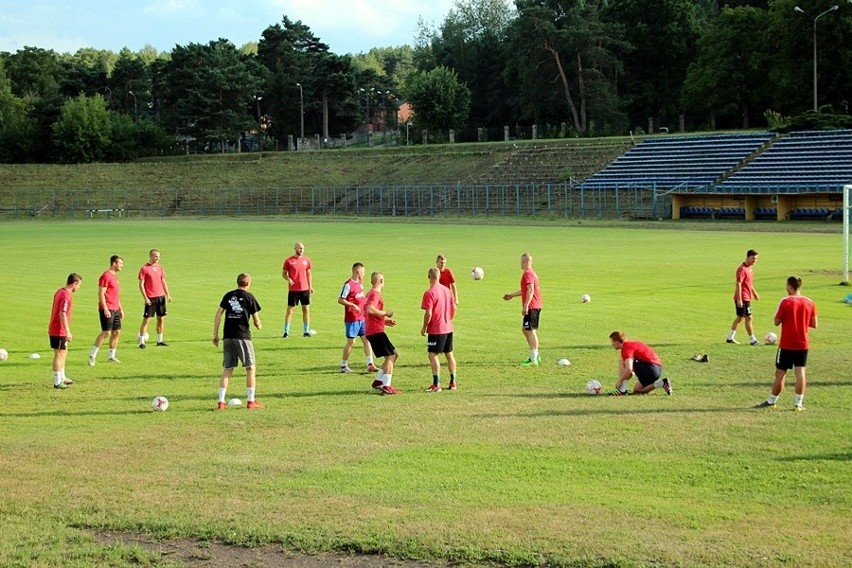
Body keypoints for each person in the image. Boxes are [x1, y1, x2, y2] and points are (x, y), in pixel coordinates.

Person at [755, 276, 818, 411]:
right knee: (800, 372)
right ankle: (798, 404)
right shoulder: (810, 302)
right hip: (803, 343)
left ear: (790, 286)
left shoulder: (785, 301)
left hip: (787, 344)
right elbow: (814, 324)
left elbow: (776, 321)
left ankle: (772, 401)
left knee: (780, 373)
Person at [213, 273, 264, 410]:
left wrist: (215, 335)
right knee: (250, 367)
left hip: (228, 337)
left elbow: (218, 314)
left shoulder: (228, 295)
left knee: (228, 369)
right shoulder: (249, 297)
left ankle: (221, 402)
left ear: (238, 282)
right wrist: (259, 325)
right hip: (242, 336)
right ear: (248, 283)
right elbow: (256, 320)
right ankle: (251, 401)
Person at [337, 262, 379, 374]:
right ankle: (343, 365)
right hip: (352, 319)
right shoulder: (348, 284)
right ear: (358, 272)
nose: (364, 274)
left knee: (366, 339)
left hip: (362, 318)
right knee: (351, 342)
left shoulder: (360, 283)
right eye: (363, 272)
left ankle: (370, 364)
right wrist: (353, 305)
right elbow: (340, 299)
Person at [421, 267, 457, 392]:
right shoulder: (447, 290)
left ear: (429, 277)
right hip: (448, 327)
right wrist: (448, 319)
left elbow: (428, 313)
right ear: (439, 277)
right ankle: (453, 382)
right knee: (449, 354)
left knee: (432, 355)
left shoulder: (429, 293)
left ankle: (436, 384)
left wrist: (424, 326)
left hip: (437, 329)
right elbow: (454, 308)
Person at [502, 252, 542, 366]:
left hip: (532, 306)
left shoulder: (527, 274)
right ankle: (535, 354)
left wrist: (526, 305)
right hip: (535, 305)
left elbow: (530, 290)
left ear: (524, 261)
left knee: (530, 330)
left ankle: (534, 357)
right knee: (526, 330)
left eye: (521, 261)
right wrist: (511, 295)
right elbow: (525, 290)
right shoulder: (532, 273)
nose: (520, 263)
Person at [365, 271, 399, 395]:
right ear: (381, 281)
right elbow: (370, 310)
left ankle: (379, 381)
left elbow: (370, 314)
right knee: (391, 356)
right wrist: (385, 313)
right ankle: (386, 386)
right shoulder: (375, 294)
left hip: (373, 329)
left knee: (394, 354)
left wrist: (384, 321)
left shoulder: (369, 294)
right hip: (375, 331)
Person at [608, 331, 672, 395]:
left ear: (616, 342)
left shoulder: (626, 348)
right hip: (657, 370)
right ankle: (662, 383)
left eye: (612, 342)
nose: (611, 344)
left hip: (651, 368)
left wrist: (619, 380)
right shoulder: (631, 344)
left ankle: (622, 390)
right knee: (637, 390)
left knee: (622, 360)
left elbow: (629, 369)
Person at [88, 255, 125, 366]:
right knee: (106, 332)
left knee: (116, 332)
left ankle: (111, 356)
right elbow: (101, 293)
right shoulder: (106, 276)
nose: (122, 266)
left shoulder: (115, 277)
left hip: (115, 308)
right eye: (120, 264)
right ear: (114, 263)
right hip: (107, 308)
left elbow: (116, 295)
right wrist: (105, 309)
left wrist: (121, 309)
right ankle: (92, 355)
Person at [48, 273, 82, 389]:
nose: (78, 288)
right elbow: (62, 313)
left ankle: (62, 377)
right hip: (59, 330)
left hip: (57, 328)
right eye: (79, 285)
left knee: (64, 352)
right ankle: (57, 382)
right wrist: (67, 331)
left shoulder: (59, 291)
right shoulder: (66, 296)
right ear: (74, 283)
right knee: (59, 354)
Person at [137, 248, 172, 349]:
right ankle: (142, 342)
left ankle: (159, 340)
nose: (157, 258)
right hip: (151, 298)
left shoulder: (160, 268)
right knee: (147, 320)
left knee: (161, 319)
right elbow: (141, 284)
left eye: (159, 257)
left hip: (160, 296)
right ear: (151, 256)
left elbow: (163, 281)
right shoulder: (144, 269)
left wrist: (168, 294)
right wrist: (145, 297)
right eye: (156, 256)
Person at [727, 249, 761, 345]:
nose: (755, 261)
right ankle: (752, 340)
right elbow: (739, 284)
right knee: (749, 318)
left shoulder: (749, 269)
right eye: (753, 258)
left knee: (740, 318)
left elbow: (749, 283)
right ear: (748, 257)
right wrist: (739, 299)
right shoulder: (741, 269)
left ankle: (730, 337)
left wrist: (754, 293)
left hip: (747, 296)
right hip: (743, 297)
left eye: (756, 259)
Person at [282, 241, 313, 338]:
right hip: (293, 290)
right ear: (295, 248)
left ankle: (306, 330)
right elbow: (283, 273)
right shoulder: (289, 261)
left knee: (306, 309)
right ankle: (286, 331)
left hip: (304, 289)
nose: (301, 250)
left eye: (303, 248)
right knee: (290, 310)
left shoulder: (306, 260)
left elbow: (308, 273)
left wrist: (310, 286)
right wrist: (289, 279)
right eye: (299, 248)